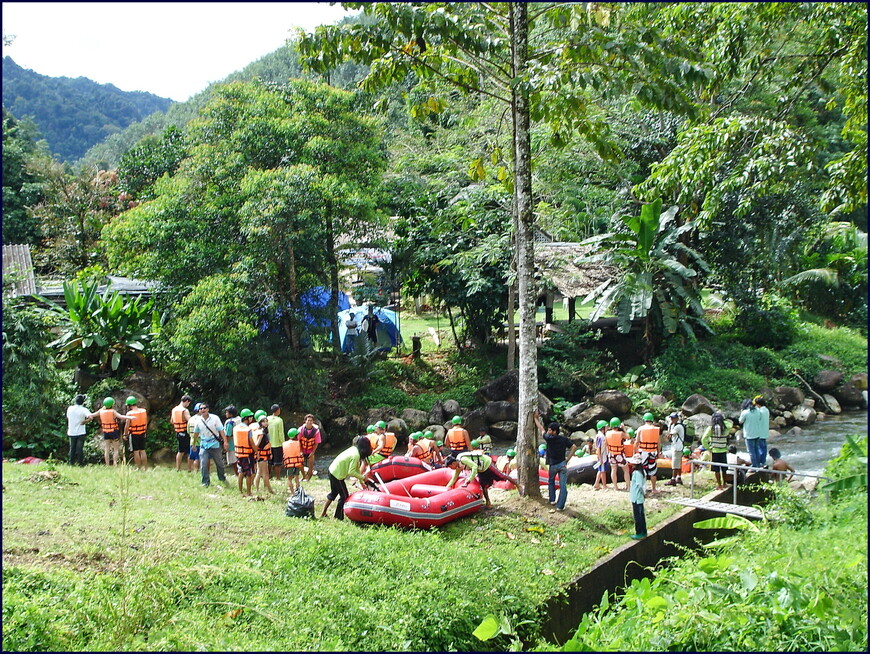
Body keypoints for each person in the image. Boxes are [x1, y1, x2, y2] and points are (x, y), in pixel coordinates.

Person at [322, 436, 372, 520]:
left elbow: (356, 469)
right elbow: (351, 472)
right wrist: (363, 477)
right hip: (337, 474)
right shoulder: (356, 455)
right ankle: (338, 517)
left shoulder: (354, 450)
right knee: (344, 496)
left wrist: (362, 482)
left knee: (333, 493)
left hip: (332, 470)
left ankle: (323, 513)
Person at [535, 412, 577, 510]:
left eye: (550, 430)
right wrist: (568, 458)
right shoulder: (563, 439)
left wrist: (535, 419)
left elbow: (541, 429)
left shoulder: (549, 438)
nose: (548, 431)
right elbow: (574, 447)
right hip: (562, 464)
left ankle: (552, 499)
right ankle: (560, 506)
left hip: (553, 465)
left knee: (551, 481)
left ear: (554, 431)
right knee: (563, 486)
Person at [444, 450, 509, 509]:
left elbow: (474, 466)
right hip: (481, 470)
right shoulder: (458, 468)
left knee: (501, 476)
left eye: (450, 467)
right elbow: (454, 478)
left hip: (487, 464)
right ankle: (488, 503)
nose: (451, 468)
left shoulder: (463, 460)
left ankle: (517, 485)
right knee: (483, 485)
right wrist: (446, 488)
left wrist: (470, 479)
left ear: (453, 463)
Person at [195, 402, 227, 489]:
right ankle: (205, 481)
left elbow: (221, 430)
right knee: (203, 463)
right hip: (204, 444)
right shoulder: (198, 420)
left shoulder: (215, 418)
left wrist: (225, 442)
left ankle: (222, 478)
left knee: (219, 463)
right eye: (201, 409)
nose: (202, 410)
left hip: (214, 444)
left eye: (204, 408)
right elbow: (196, 432)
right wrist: (193, 443)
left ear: (208, 409)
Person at [96, 397, 132, 467]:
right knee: (116, 449)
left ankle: (107, 464)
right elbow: (121, 416)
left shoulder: (101, 411)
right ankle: (114, 464)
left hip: (106, 431)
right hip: (113, 431)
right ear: (112, 404)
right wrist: (130, 417)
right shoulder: (112, 411)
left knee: (107, 448)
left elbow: (93, 414)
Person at [740, 395, 770, 469]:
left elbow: (741, 421)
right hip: (762, 432)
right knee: (760, 449)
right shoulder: (765, 410)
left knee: (753, 451)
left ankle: (756, 464)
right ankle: (761, 462)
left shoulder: (756, 411)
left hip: (756, 433)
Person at [702, 411, 730, 489]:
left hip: (714, 451)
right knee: (724, 469)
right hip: (723, 450)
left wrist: (708, 447)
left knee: (716, 469)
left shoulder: (711, 428)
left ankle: (719, 485)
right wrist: (722, 421)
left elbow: (704, 439)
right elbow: (730, 424)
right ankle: (724, 483)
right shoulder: (725, 428)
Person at [232, 409, 257, 496]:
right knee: (249, 473)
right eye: (250, 417)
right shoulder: (248, 429)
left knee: (241, 472)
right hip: (247, 454)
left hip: (238, 453)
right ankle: (249, 492)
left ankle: (240, 491)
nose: (251, 419)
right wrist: (257, 452)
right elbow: (252, 442)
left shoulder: (235, 428)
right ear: (247, 418)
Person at [634, 413, 660, 493]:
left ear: (644, 420)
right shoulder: (656, 429)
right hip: (652, 452)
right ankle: (653, 489)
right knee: (653, 471)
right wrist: (658, 453)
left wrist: (635, 452)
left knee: (643, 471)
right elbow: (659, 443)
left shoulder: (640, 429)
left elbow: (637, 442)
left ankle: (644, 489)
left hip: (643, 452)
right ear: (652, 420)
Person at [66, 394, 94, 467]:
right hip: (81, 432)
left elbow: (68, 417)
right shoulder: (84, 409)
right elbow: (91, 417)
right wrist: (85, 421)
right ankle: (80, 464)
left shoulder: (70, 408)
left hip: (71, 432)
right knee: (79, 449)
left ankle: (71, 463)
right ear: (82, 402)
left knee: (72, 448)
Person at [605, 417, 631, 491]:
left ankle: (615, 487)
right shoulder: (621, 433)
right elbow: (628, 437)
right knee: (626, 470)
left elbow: (606, 444)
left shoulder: (607, 433)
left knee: (613, 470)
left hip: (611, 454)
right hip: (619, 454)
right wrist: (624, 428)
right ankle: (628, 487)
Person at [123, 396, 149, 471]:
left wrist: (125, 434)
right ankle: (146, 468)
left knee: (136, 451)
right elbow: (146, 423)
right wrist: (144, 431)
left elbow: (127, 426)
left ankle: (138, 468)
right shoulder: (143, 411)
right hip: (142, 433)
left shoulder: (129, 413)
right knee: (143, 450)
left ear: (129, 405)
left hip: (134, 434)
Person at [170, 395, 193, 472]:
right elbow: (190, 421)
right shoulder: (184, 410)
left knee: (180, 451)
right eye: (188, 403)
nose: (188, 405)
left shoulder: (174, 409)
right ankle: (189, 469)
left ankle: (178, 469)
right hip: (185, 432)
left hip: (178, 432)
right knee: (189, 451)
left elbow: (172, 421)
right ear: (186, 401)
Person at [254, 416, 275, 496]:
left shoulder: (264, 431)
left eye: (266, 421)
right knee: (265, 473)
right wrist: (258, 453)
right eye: (263, 421)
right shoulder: (261, 433)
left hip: (263, 455)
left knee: (259, 472)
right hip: (262, 455)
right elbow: (256, 445)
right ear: (260, 423)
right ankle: (270, 490)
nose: (266, 423)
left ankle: (257, 489)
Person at [628, 456, 647, 540]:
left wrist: (643, 493)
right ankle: (644, 531)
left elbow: (639, 485)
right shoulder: (642, 472)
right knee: (641, 515)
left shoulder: (636, 473)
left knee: (638, 516)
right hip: (639, 497)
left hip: (637, 497)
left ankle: (639, 532)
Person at [298, 414, 322, 481]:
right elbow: (298, 441)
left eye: (311, 421)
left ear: (313, 422)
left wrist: (313, 452)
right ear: (305, 421)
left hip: (310, 449)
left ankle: (309, 476)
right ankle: (303, 476)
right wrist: (300, 451)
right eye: (308, 420)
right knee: (300, 463)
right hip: (302, 449)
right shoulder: (301, 430)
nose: (309, 422)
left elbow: (316, 442)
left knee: (311, 463)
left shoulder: (316, 430)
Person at [665, 412, 686, 486]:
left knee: (675, 463)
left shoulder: (678, 427)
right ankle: (678, 478)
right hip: (678, 446)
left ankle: (673, 479)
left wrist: (669, 425)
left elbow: (669, 435)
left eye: (673, 418)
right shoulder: (677, 425)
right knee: (678, 463)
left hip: (677, 447)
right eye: (671, 418)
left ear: (677, 418)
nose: (672, 420)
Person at [282, 428, 304, 492]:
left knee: (289, 479)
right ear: (295, 436)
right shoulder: (298, 443)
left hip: (289, 463)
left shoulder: (284, 444)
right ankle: (298, 491)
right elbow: (300, 452)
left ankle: (292, 493)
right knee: (297, 477)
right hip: (297, 463)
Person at [267, 404, 285, 481]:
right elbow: (281, 433)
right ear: (277, 410)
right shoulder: (279, 420)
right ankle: (278, 477)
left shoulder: (267, 419)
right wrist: (283, 443)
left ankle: (269, 475)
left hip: (268, 444)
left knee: (269, 461)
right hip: (277, 444)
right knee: (278, 462)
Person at [223, 406, 240, 476]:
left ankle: (238, 475)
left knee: (233, 461)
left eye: (227, 412)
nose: (226, 414)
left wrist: (226, 443)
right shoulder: (239, 419)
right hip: (239, 442)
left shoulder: (230, 423)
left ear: (231, 414)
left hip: (232, 444)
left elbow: (228, 435)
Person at [593, 420, 609, 491]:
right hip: (602, 456)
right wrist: (600, 458)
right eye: (606, 427)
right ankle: (604, 485)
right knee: (603, 471)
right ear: (603, 428)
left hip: (602, 455)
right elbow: (598, 448)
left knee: (600, 470)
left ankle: (596, 484)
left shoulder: (599, 435)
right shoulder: (600, 436)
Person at [186, 404, 201, 473]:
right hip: (200, 441)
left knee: (191, 456)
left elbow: (188, 431)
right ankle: (196, 471)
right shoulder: (202, 419)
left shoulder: (191, 419)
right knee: (197, 457)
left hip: (192, 441)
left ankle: (189, 469)